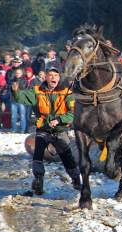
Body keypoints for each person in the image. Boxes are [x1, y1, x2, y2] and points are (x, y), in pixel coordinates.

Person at [11, 66, 81, 195]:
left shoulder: (67, 93)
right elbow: (22, 97)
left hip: (60, 130)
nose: (53, 78)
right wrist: (15, 91)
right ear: (45, 77)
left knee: (67, 158)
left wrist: (59, 120)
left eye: (55, 75)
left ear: (59, 78)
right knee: (37, 156)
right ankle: (38, 181)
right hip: (43, 128)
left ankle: (76, 180)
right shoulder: (37, 90)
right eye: (50, 75)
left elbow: (73, 113)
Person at [8, 68, 28, 133]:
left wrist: (17, 85)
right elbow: (10, 89)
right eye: (16, 73)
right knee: (13, 116)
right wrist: (12, 86)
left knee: (22, 116)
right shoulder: (12, 80)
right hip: (13, 100)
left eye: (19, 73)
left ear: (21, 74)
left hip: (21, 100)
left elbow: (23, 88)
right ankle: (14, 129)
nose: (17, 74)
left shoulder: (24, 80)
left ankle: (22, 129)